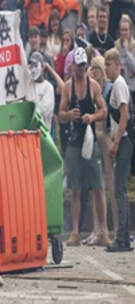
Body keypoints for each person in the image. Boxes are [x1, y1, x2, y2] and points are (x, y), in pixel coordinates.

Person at [59, 47, 109, 247]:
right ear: (72, 66)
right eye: (78, 66)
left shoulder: (94, 86)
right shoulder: (68, 88)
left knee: (98, 186)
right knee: (76, 188)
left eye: (83, 67)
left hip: (90, 140)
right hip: (73, 141)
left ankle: (104, 230)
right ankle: (75, 232)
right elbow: (60, 115)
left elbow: (103, 110)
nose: (81, 70)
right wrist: (70, 114)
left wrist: (92, 117)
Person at [104, 48, 134, 252]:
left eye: (108, 65)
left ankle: (122, 239)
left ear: (117, 65)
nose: (106, 68)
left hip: (123, 141)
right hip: (122, 141)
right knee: (119, 191)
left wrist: (114, 144)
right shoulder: (117, 85)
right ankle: (123, 236)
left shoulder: (119, 86)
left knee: (119, 191)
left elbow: (124, 115)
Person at [89, 56, 118, 240]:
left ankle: (116, 228)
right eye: (92, 69)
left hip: (106, 133)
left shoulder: (107, 88)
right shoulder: (90, 89)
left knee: (112, 183)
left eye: (96, 69)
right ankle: (98, 229)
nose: (94, 72)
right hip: (93, 135)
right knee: (95, 184)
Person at [26, 52, 55, 132]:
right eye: (31, 66)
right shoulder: (28, 84)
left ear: (42, 67)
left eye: (36, 66)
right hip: (28, 134)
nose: (33, 70)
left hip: (42, 135)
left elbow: (42, 112)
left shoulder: (48, 88)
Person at [114, 15, 135, 104]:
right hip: (120, 85)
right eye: (122, 30)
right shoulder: (116, 45)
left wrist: (127, 52)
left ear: (130, 31)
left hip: (132, 86)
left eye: (126, 30)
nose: (124, 33)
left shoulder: (134, 46)